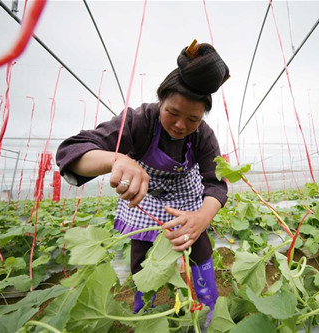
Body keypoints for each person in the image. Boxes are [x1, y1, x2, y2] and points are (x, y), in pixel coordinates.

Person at [56, 40, 229, 324]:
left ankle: (206, 315)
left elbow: (216, 183)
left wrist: (201, 218)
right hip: (142, 202)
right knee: (142, 263)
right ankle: (146, 317)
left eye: (193, 119)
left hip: (186, 204)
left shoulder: (204, 136)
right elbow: (72, 151)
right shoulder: (138, 120)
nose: (181, 125)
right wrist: (116, 160)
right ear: (161, 100)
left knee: (200, 252)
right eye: (172, 113)